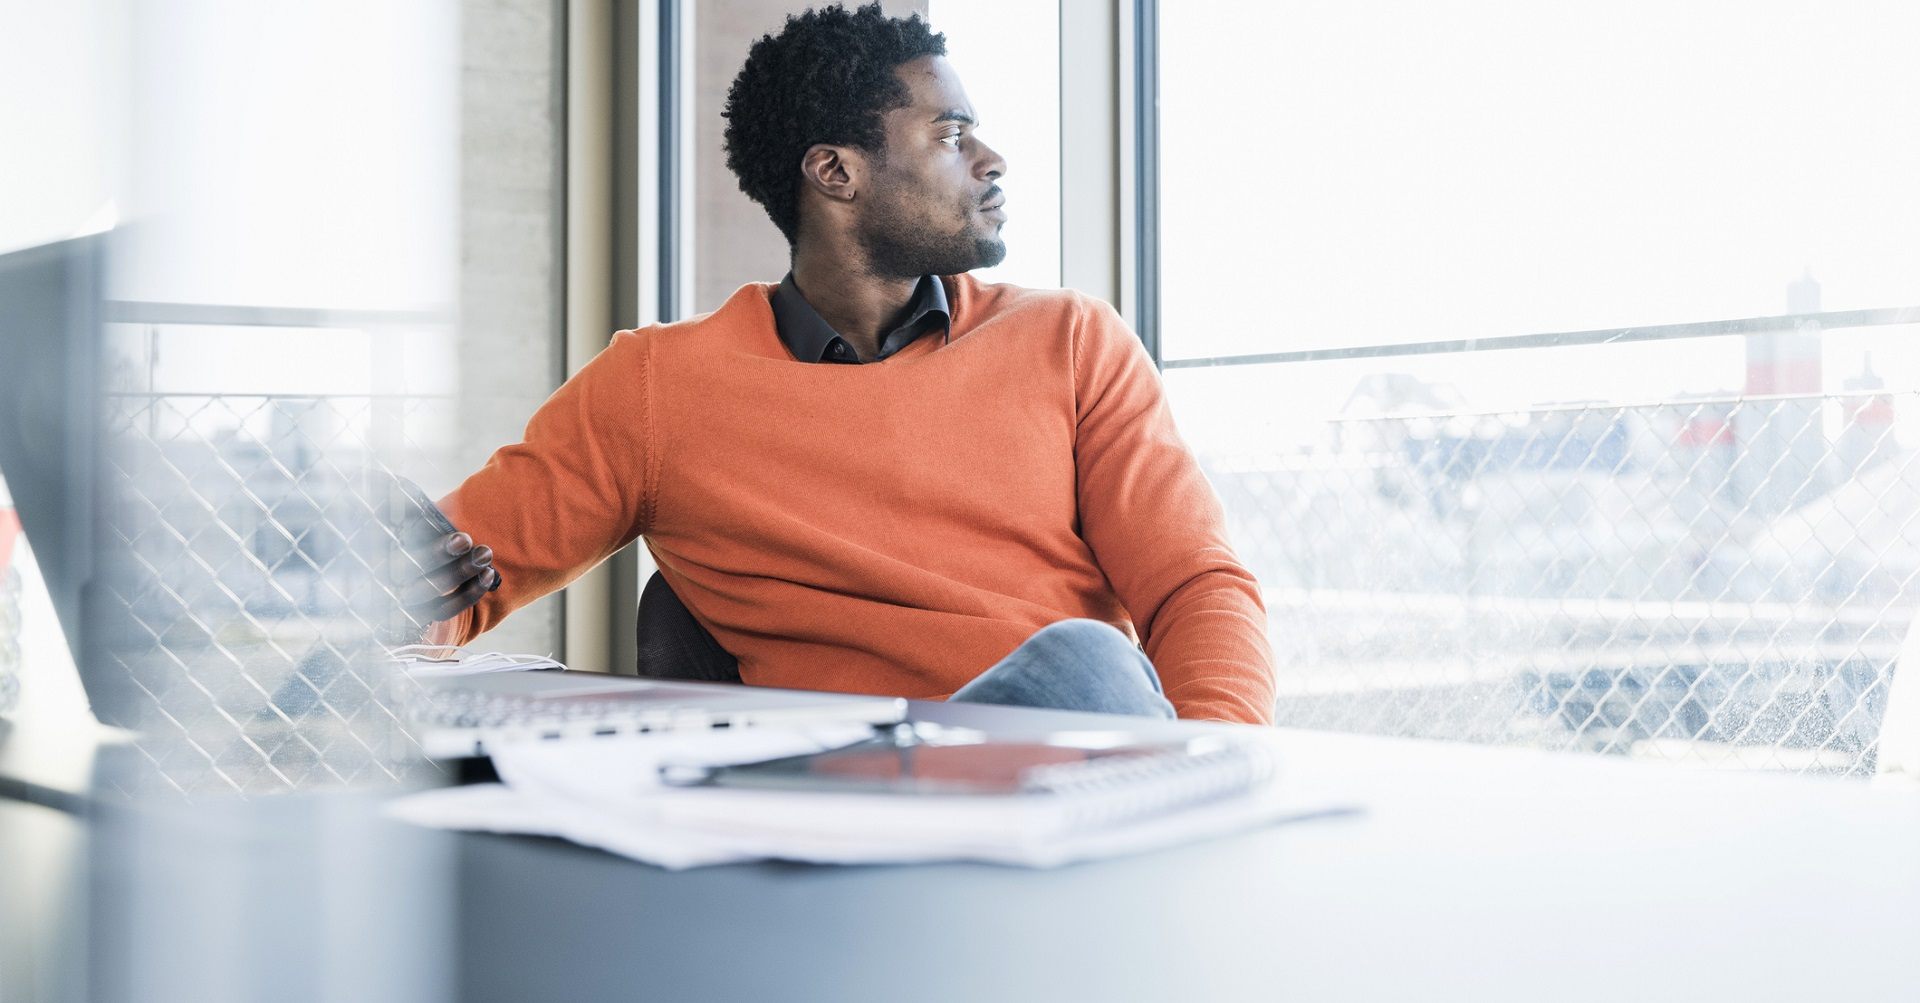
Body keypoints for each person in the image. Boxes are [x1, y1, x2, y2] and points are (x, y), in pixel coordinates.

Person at [392, 3, 1275, 724]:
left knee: (1089, 670)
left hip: (1066, 774)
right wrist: (395, 583)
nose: (991, 160)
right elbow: (451, 582)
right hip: (841, 803)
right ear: (836, 172)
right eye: (950, 134)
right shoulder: (656, 386)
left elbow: (1196, 587)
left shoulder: (1075, 343)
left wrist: (1217, 768)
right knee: (1094, 673)